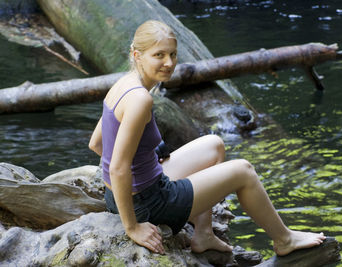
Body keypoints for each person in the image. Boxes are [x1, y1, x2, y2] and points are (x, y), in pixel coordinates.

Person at [89, 20, 325, 255]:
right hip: (149, 205)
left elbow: (97, 143)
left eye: (172, 54)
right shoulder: (140, 99)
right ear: (137, 54)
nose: (169, 63)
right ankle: (284, 240)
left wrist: (142, 163)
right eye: (159, 55)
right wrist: (132, 226)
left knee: (215, 145)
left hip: (128, 194)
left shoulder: (123, 84)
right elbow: (118, 167)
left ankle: (204, 234)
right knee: (243, 171)